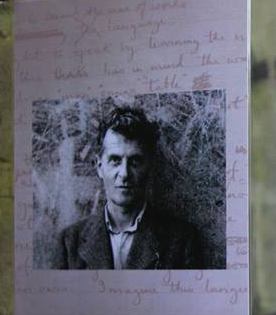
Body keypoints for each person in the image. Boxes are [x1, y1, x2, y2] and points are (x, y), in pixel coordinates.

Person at [50, 108, 206, 270]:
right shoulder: (69, 243)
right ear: (99, 167)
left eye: (135, 161)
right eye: (115, 160)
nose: (124, 174)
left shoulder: (182, 241)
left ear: (149, 167)